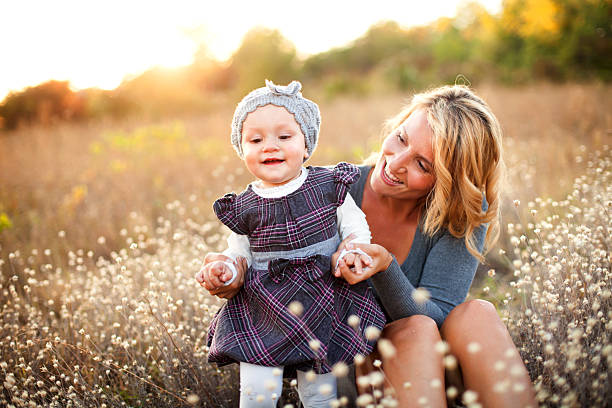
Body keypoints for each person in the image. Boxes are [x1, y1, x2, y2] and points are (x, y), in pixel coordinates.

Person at [201, 84, 538, 407]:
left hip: (431, 368)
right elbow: (258, 261)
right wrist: (231, 273)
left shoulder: (461, 213)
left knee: (475, 313)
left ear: (448, 182)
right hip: (346, 364)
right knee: (416, 330)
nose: (395, 162)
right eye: (401, 138)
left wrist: (385, 266)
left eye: (422, 164)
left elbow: (441, 319)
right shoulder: (324, 191)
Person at [195, 80, 386, 408]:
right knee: (257, 391)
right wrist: (225, 268)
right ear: (242, 150)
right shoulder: (245, 205)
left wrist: (352, 250)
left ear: (306, 144)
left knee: (319, 393)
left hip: (323, 298)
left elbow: (355, 227)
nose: (270, 146)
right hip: (264, 306)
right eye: (255, 139)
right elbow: (238, 251)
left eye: (284, 136)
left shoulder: (328, 185)